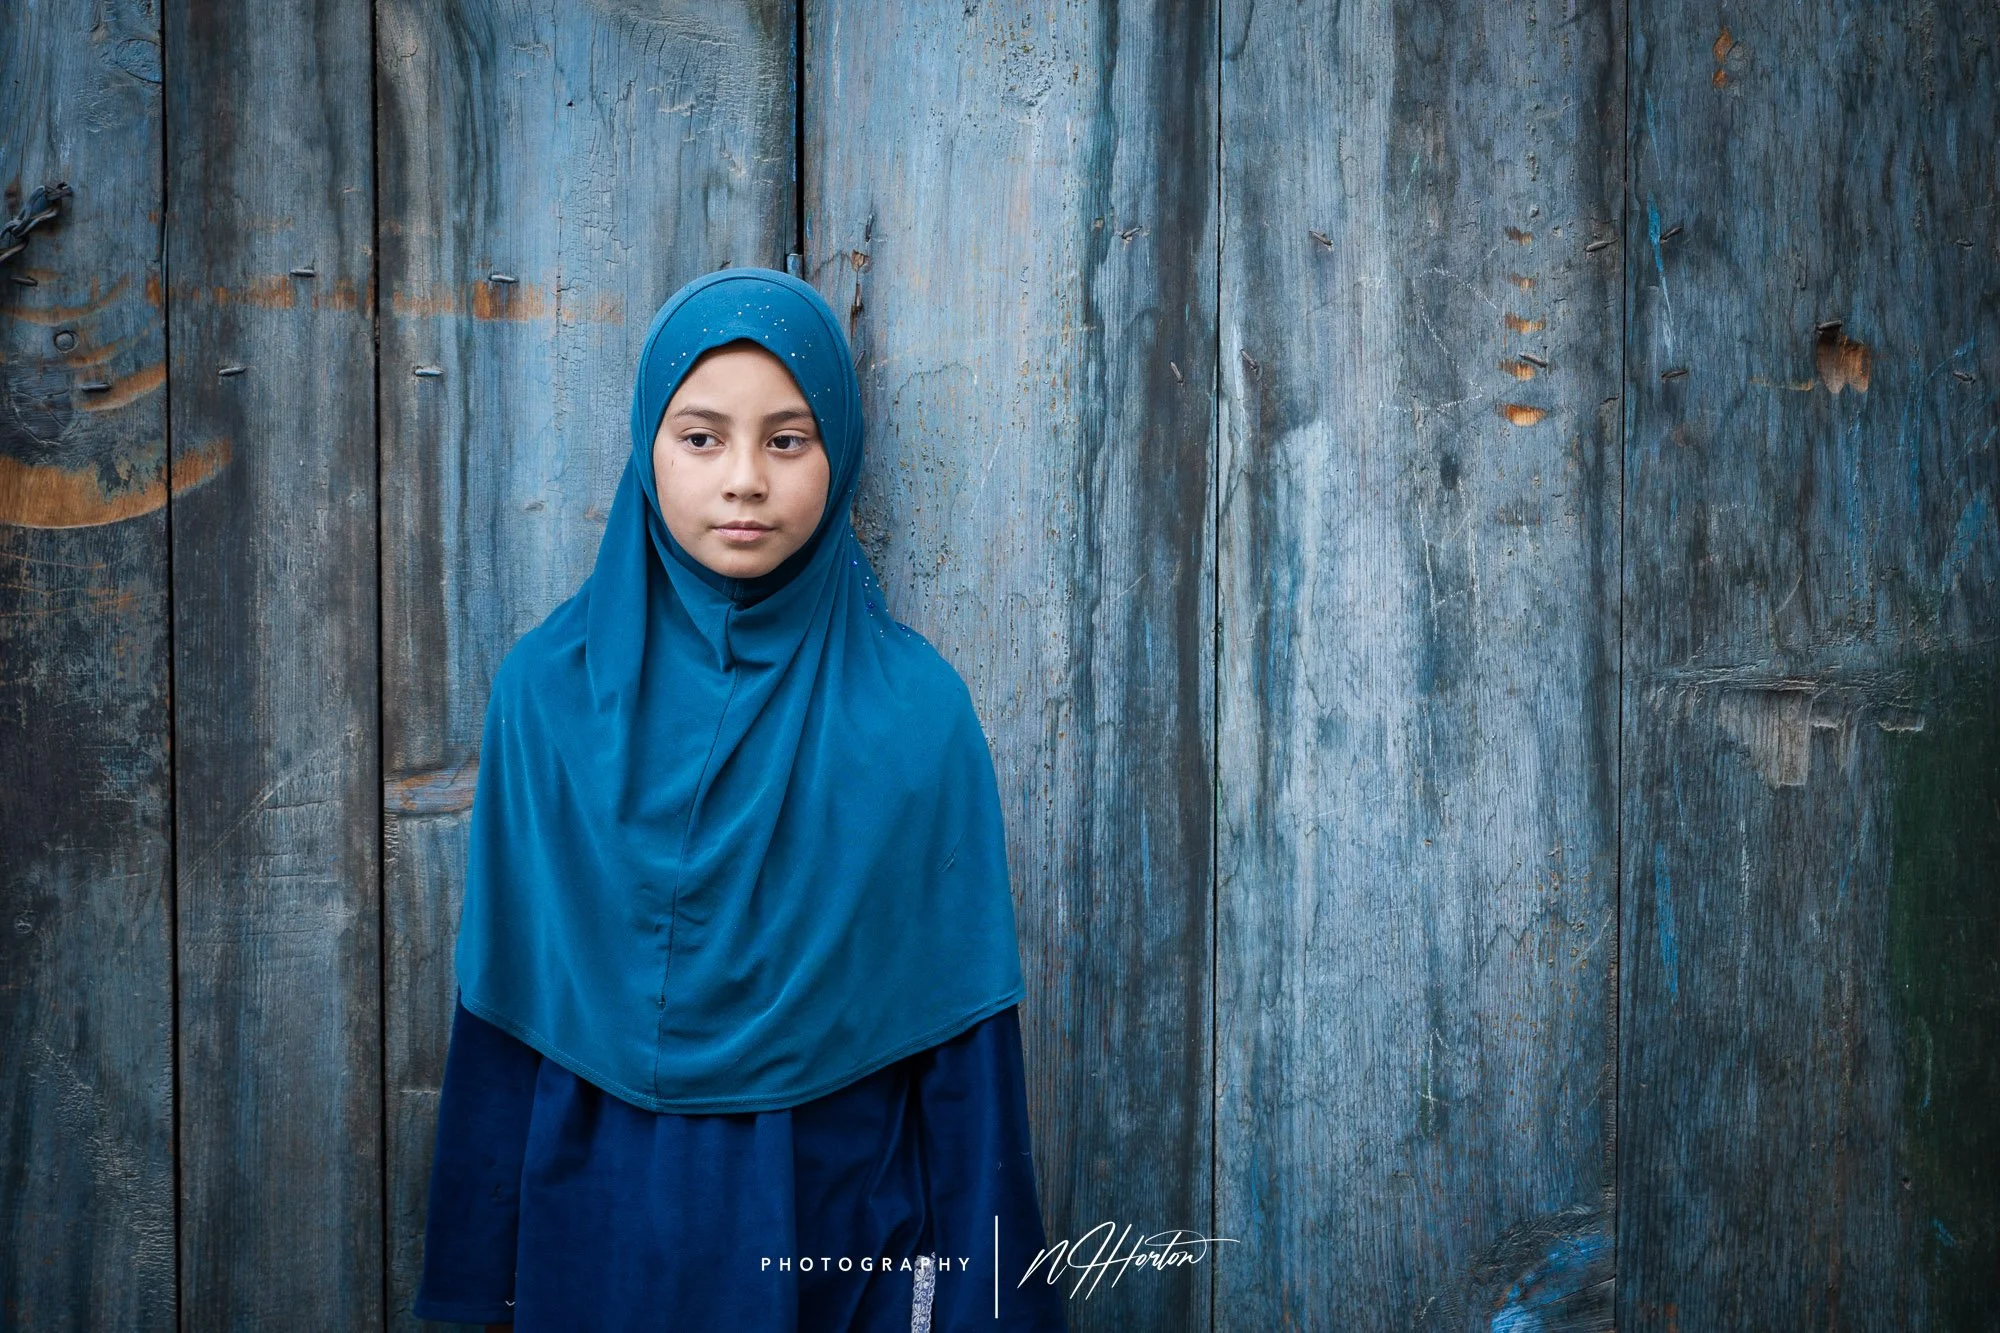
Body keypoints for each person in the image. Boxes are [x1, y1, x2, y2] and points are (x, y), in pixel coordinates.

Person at [410, 267, 1069, 1331]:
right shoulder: (547, 695)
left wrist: (993, 1310)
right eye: (701, 437)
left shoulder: (912, 717)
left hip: (835, 1231)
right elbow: (503, 1012)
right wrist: (468, 1292)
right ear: (645, 447)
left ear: (837, 452)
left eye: (788, 440)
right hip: (593, 1226)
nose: (744, 480)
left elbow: (966, 1057)